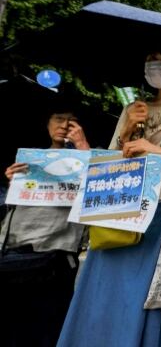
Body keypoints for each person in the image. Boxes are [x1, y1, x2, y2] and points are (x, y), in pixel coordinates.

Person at [57, 52, 161, 347]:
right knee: (104, 284)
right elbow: (112, 160)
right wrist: (128, 130)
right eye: (152, 57)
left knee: (150, 293)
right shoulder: (134, 107)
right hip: (122, 205)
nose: (159, 63)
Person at [0, 109, 90, 347]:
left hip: (56, 254)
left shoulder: (89, 155)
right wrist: (13, 182)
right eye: (59, 118)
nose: (65, 125)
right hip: (15, 250)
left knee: (48, 328)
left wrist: (82, 145)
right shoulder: (31, 159)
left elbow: (99, 188)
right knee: (14, 327)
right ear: (47, 123)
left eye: (73, 120)